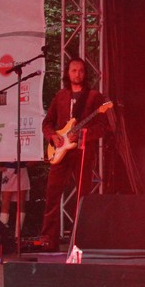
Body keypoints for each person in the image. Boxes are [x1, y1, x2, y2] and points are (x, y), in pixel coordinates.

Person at [39, 58, 109, 252]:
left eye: (80, 71)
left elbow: (102, 127)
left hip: (82, 152)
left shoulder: (94, 97)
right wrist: (53, 136)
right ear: (67, 73)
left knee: (82, 196)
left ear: (85, 73)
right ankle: (48, 239)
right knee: (52, 194)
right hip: (60, 151)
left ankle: (80, 238)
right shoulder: (61, 96)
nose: (77, 74)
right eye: (73, 70)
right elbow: (47, 122)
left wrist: (83, 134)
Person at [0, 161, 30, 238]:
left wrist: (27, 164)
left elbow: (35, 157)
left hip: (21, 170)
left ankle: (17, 235)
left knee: (21, 203)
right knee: (5, 203)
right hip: (8, 171)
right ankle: (3, 234)